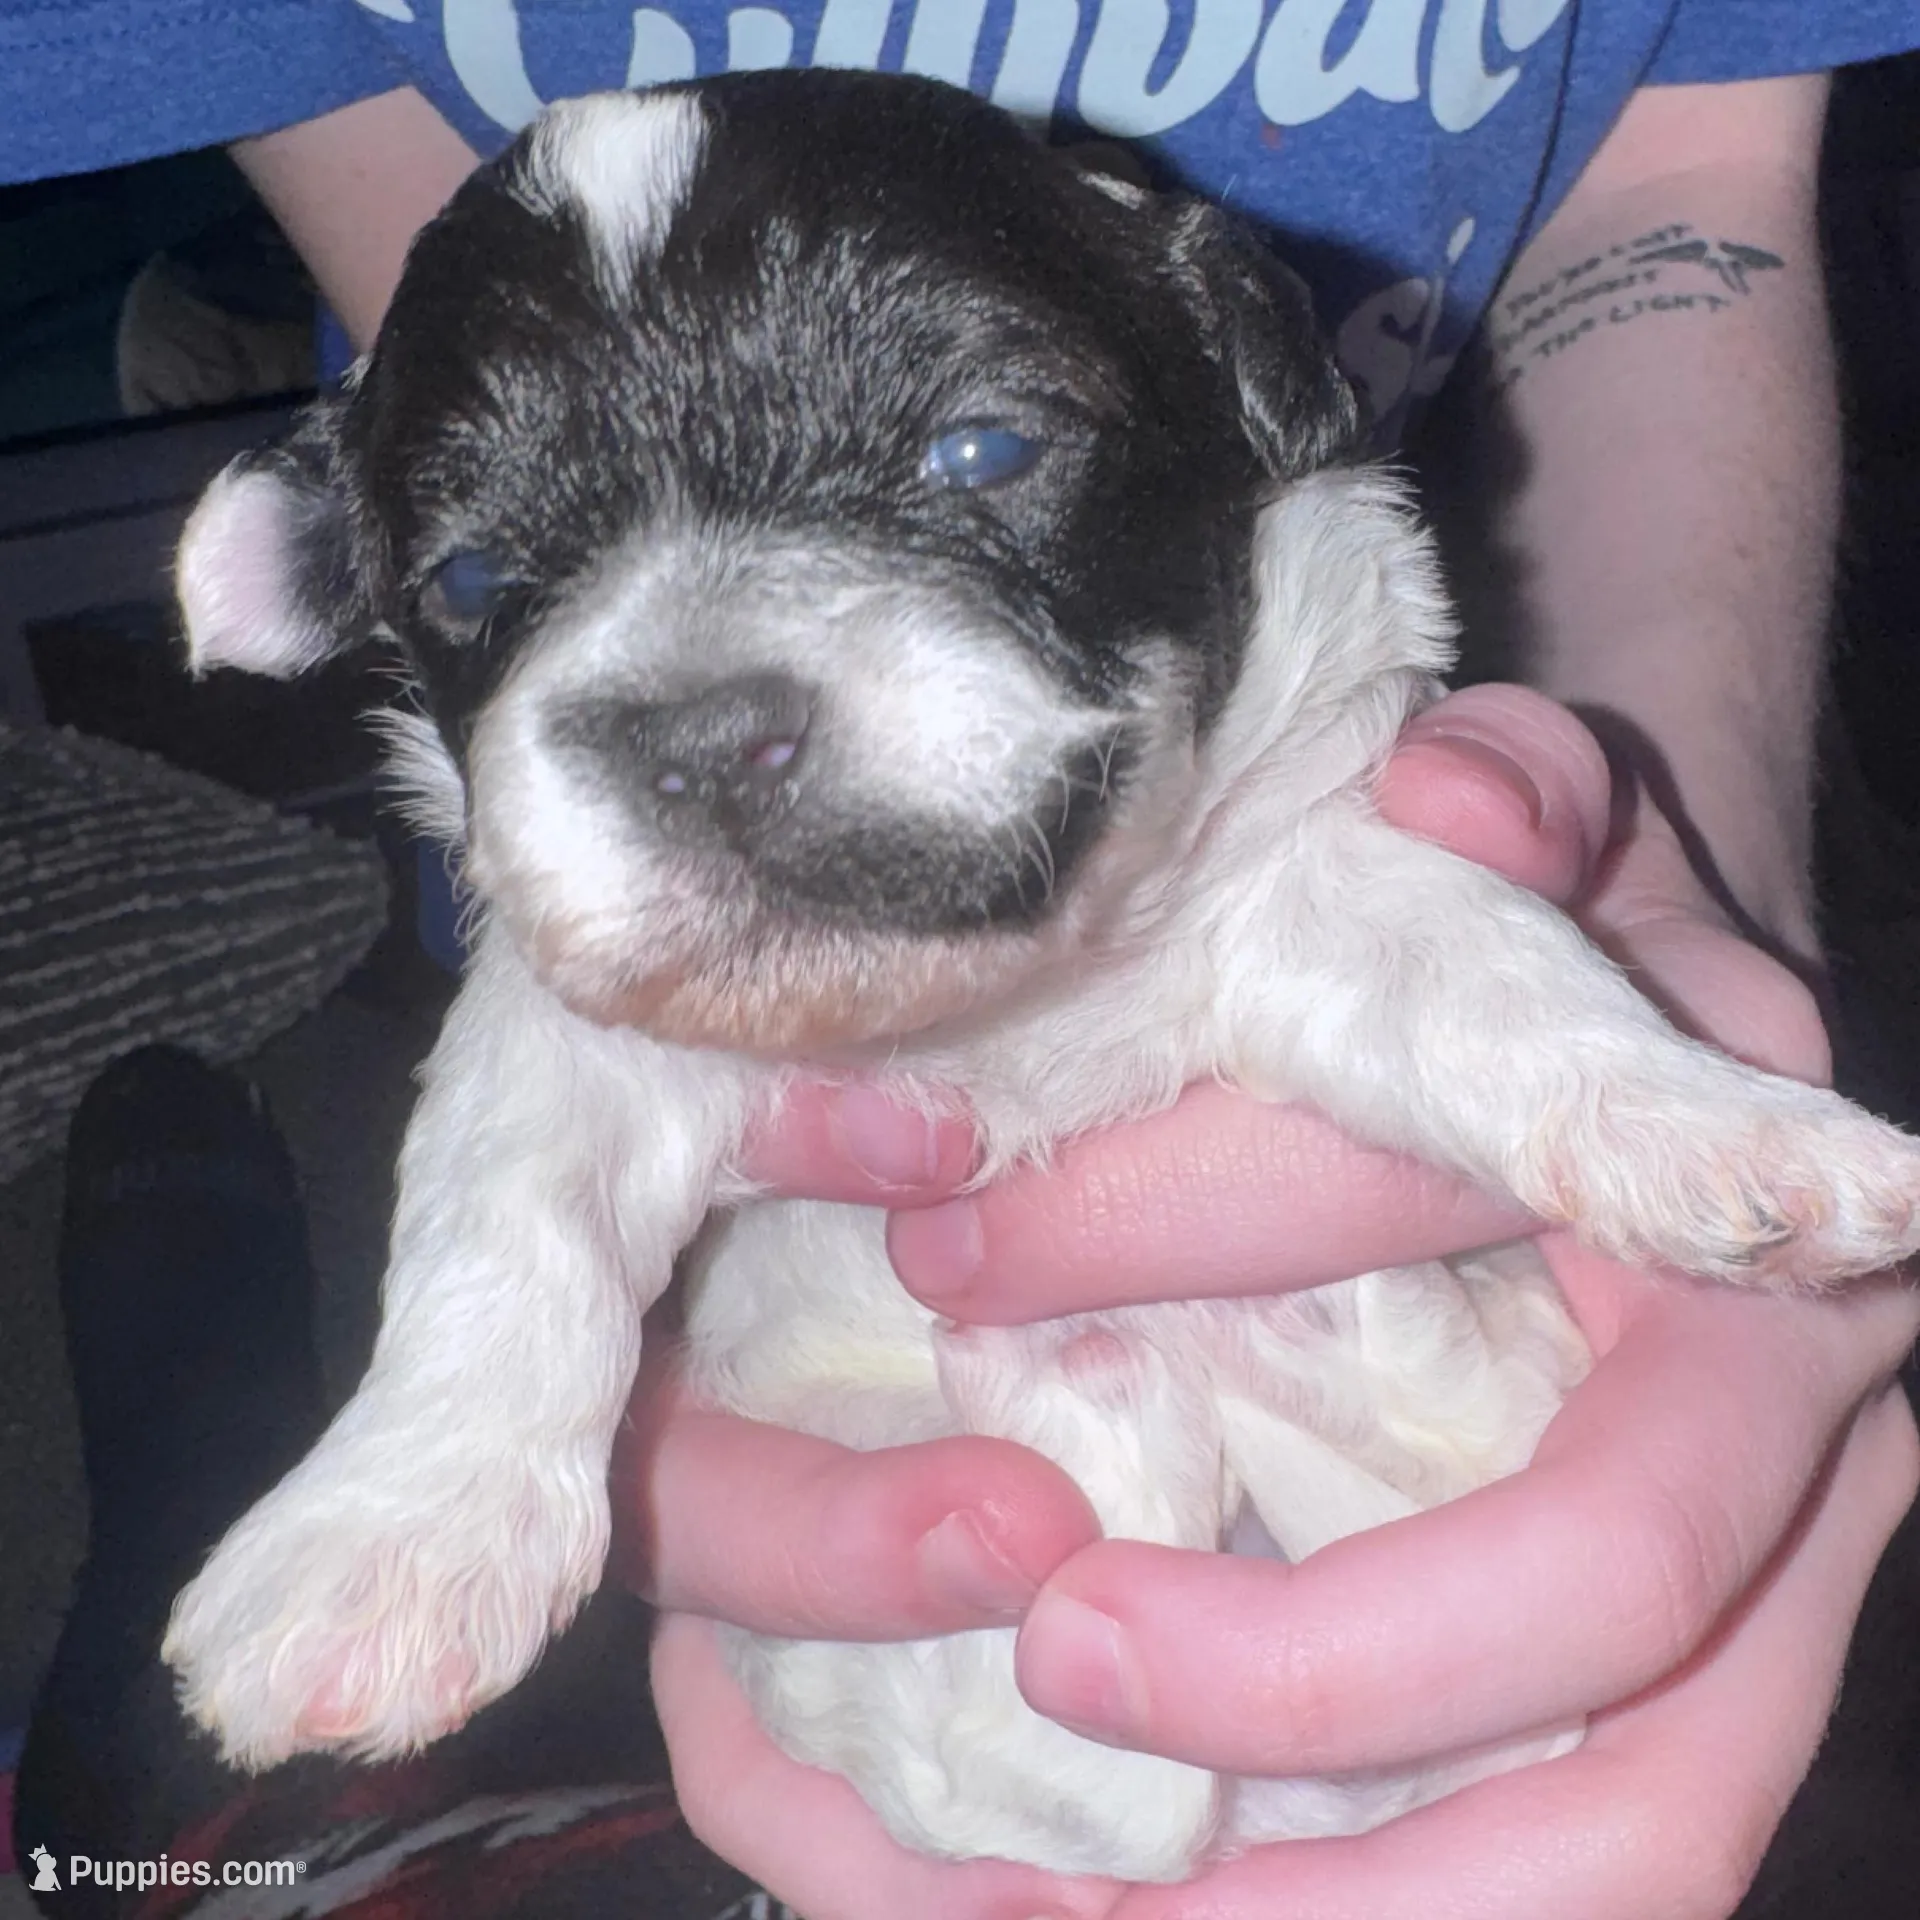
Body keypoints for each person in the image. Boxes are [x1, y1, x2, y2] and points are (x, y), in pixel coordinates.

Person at [7, 6, 1920, 1915]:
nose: (707, 710)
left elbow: (1680, 185)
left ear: (1248, 373)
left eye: (977, 446)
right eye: (488, 582)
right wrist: (460, 1450)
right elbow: (538, 1167)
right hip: (937, 1657)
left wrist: (1668, 1029)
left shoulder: (1287, 816)